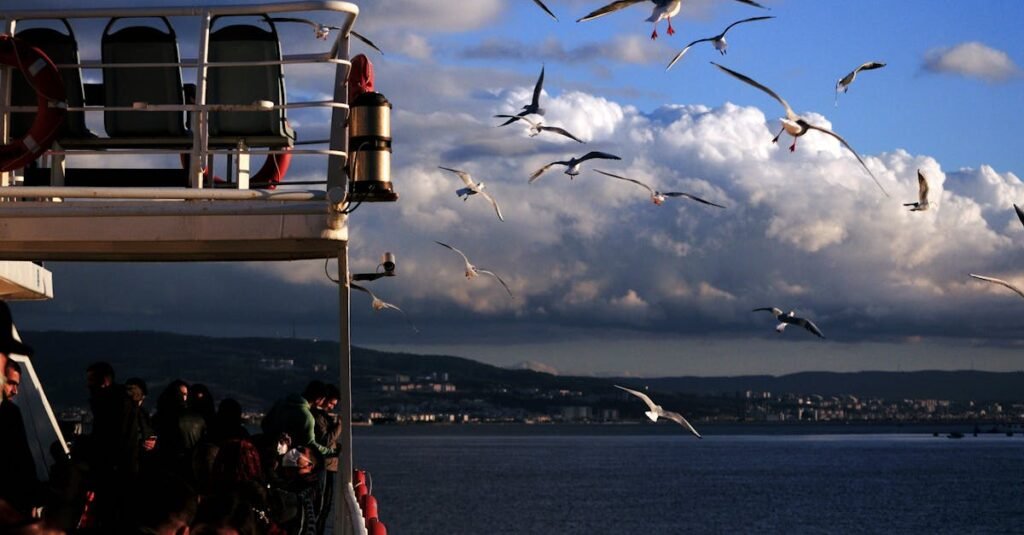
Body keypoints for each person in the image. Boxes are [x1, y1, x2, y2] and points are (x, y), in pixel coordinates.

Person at [0, 359, 42, 516]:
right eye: (11, 383)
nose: (15, 391)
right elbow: (22, 458)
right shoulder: (10, 413)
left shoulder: (10, 412)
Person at [261, 381, 337, 458]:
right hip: (288, 460)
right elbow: (311, 444)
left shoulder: (281, 403)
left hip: (266, 453)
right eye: (323, 400)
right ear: (318, 399)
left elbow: (264, 424)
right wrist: (331, 451)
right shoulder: (307, 416)